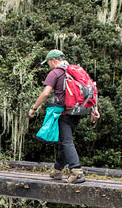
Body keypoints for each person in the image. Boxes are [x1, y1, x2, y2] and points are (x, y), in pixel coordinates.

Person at [27, 49, 99, 184]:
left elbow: (46, 93)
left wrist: (34, 108)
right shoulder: (76, 71)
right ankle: (57, 170)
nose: (48, 66)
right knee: (64, 140)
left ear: (53, 60)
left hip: (63, 112)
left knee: (66, 141)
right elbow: (91, 90)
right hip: (77, 112)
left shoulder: (55, 73)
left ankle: (77, 172)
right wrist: (95, 109)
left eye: (48, 63)